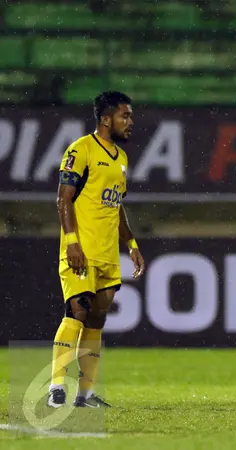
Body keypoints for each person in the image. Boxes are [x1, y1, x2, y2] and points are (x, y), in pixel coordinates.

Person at [48, 91, 146, 408]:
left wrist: (131, 244)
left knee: (97, 319)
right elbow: (64, 198)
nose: (130, 122)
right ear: (105, 119)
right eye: (124, 116)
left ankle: (85, 394)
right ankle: (56, 388)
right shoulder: (81, 149)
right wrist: (72, 241)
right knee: (77, 310)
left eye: (130, 116)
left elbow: (116, 206)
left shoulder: (121, 158)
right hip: (81, 249)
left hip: (107, 254)